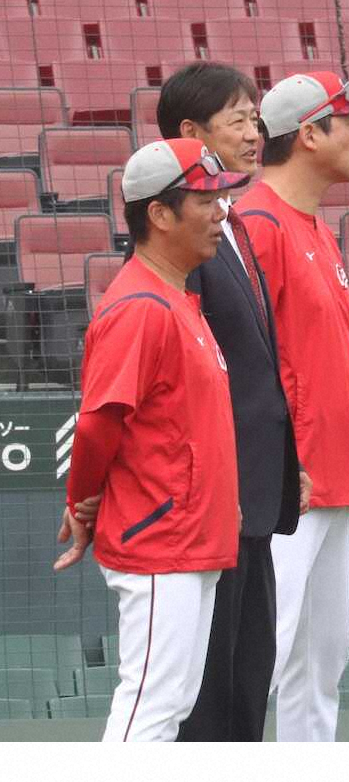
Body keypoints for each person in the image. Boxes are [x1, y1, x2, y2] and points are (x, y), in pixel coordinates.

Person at [54, 137, 248, 742]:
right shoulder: (139, 306)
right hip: (161, 540)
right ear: (160, 214)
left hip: (190, 537)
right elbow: (97, 423)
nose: (221, 212)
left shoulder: (175, 297)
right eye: (206, 200)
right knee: (149, 712)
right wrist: (80, 501)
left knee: (170, 706)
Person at [156, 62, 310, 743]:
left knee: (248, 676)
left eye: (256, 118)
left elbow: (255, 373)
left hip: (253, 496)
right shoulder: (182, 244)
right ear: (191, 133)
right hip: (211, 503)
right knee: (208, 689)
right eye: (239, 120)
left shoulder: (233, 226)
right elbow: (191, 377)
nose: (256, 132)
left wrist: (283, 462)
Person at [235, 71, 349, 742]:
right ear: (309, 134)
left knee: (319, 669)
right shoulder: (255, 225)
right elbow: (241, 367)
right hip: (284, 484)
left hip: (330, 479)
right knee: (257, 661)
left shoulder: (317, 228)